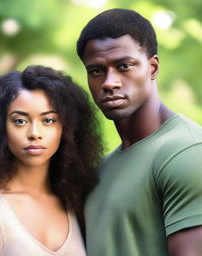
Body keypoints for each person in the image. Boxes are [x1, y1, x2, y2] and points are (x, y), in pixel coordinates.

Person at [76, 8, 202, 256]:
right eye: (96, 71)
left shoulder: (186, 153)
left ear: (153, 68)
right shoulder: (101, 169)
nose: (109, 82)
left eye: (124, 66)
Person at [0, 65, 103, 256]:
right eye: (20, 121)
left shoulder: (76, 205)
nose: (34, 133)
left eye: (48, 120)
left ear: (67, 128)